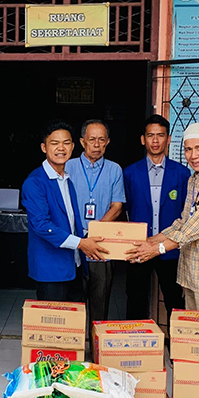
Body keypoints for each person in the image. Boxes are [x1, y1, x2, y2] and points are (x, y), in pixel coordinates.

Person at [128, 123, 199, 315]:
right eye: (188, 149)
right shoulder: (195, 179)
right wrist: (151, 240)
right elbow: (183, 222)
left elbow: (194, 228)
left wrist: (157, 249)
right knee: (193, 337)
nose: (193, 155)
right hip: (192, 273)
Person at [20, 120, 109, 302]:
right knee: (54, 328)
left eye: (66, 143)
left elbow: (70, 222)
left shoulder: (66, 180)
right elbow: (41, 225)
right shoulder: (35, 182)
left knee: (72, 327)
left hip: (73, 266)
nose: (61, 148)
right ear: (44, 147)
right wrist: (81, 244)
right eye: (55, 143)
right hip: (51, 271)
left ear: (74, 146)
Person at [122, 115, 190, 322]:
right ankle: (134, 341)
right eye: (150, 135)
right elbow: (127, 208)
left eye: (160, 135)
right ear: (143, 139)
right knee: (135, 298)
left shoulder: (182, 173)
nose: (155, 141)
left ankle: (177, 346)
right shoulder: (130, 173)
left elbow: (186, 213)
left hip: (169, 247)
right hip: (139, 246)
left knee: (174, 299)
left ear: (168, 139)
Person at [68, 119, 125, 324]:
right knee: (73, 304)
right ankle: (76, 352)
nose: (97, 144)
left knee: (100, 303)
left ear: (108, 142)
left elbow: (117, 206)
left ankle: (97, 351)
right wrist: (82, 237)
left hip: (102, 245)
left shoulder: (114, 169)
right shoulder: (68, 166)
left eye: (101, 140)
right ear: (82, 142)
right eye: (92, 140)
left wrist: (94, 231)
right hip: (74, 243)